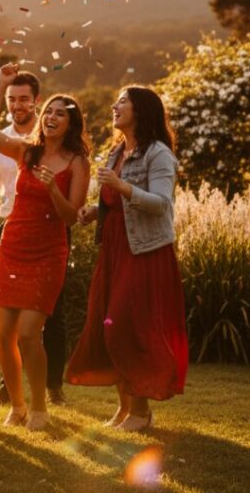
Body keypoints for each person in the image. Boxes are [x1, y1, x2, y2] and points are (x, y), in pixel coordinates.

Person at [67, 86, 188, 432]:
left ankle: (140, 412)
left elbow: (162, 203)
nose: (114, 105)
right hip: (115, 249)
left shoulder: (158, 153)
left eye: (122, 101)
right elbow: (114, 203)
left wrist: (121, 188)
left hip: (145, 252)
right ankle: (125, 409)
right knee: (108, 325)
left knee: (128, 327)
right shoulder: (117, 151)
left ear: (141, 110)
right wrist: (95, 211)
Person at [0, 62, 90, 430]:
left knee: (29, 333)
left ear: (71, 124)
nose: (53, 117)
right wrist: (0, 85)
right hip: (12, 244)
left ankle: (39, 405)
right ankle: (17, 404)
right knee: (3, 335)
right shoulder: (27, 152)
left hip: (47, 251)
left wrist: (53, 189)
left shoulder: (77, 162)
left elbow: (72, 216)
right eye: (50, 112)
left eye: (61, 113)